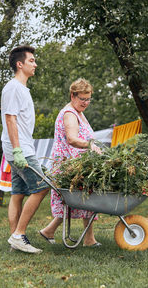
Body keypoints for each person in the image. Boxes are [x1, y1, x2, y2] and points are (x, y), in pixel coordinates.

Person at [39, 78, 102, 247]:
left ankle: (50, 231)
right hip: (68, 164)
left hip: (76, 163)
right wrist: (90, 145)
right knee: (82, 199)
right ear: (73, 96)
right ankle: (87, 239)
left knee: (77, 200)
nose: (86, 102)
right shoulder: (70, 114)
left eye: (88, 99)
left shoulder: (78, 112)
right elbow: (72, 139)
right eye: (82, 99)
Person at [1, 45, 49, 254]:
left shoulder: (21, 88)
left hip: (19, 147)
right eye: (31, 60)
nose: (35, 64)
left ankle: (15, 241)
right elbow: (10, 119)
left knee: (18, 193)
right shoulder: (13, 87)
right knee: (43, 187)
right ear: (20, 64)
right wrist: (18, 150)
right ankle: (19, 234)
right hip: (19, 149)